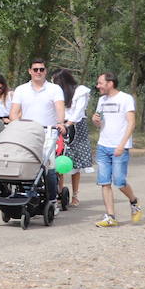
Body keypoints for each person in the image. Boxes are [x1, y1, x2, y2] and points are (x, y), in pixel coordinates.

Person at [8, 59, 66, 203]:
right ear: (30, 71)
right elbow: (14, 112)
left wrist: (60, 123)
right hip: (27, 134)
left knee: (49, 166)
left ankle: (52, 200)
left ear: (45, 71)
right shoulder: (21, 89)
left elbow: (59, 108)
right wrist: (16, 126)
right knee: (25, 163)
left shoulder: (55, 89)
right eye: (35, 70)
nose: (38, 72)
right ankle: (24, 194)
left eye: (41, 69)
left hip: (49, 133)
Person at [91, 72, 141, 227]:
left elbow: (131, 123)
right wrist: (95, 121)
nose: (97, 86)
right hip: (103, 146)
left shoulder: (126, 99)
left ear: (110, 83)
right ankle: (110, 216)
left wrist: (122, 145)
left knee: (119, 181)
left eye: (100, 83)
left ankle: (134, 202)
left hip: (120, 147)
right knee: (104, 182)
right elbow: (100, 122)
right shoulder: (101, 100)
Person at [52, 67, 92, 203]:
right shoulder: (57, 95)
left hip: (76, 127)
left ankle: (75, 195)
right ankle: (59, 193)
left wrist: (68, 124)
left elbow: (78, 112)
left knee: (75, 163)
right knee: (58, 159)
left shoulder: (80, 91)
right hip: (60, 127)